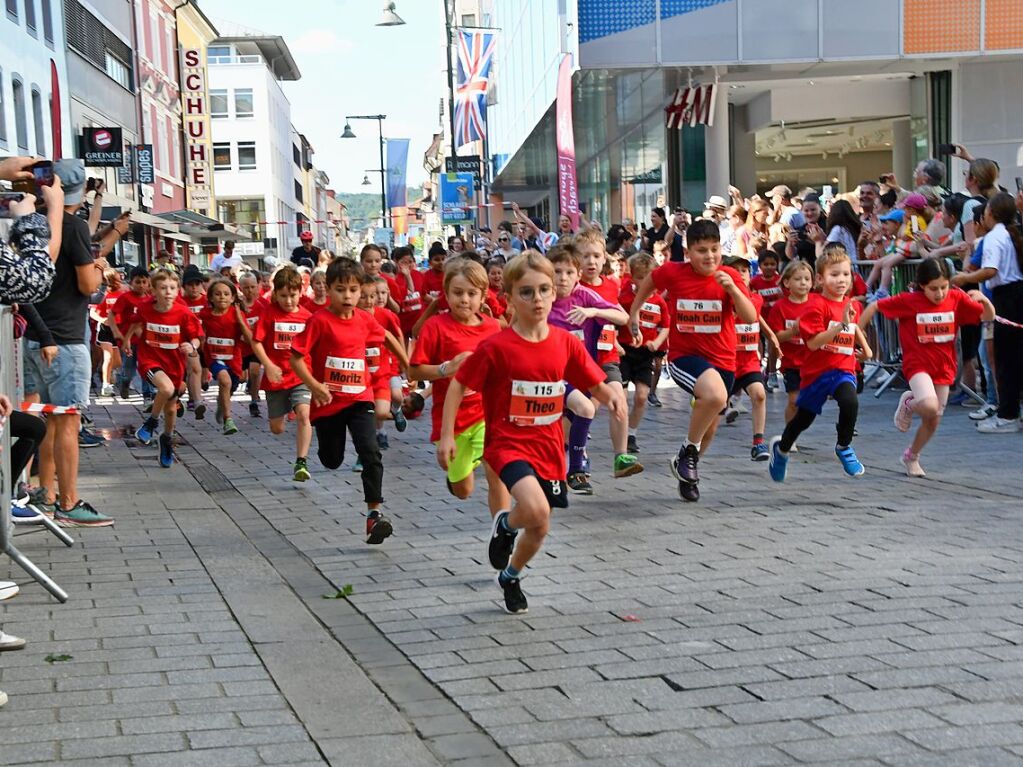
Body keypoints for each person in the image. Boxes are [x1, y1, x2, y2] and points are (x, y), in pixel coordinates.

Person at [443, 251, 626, 614]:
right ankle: (506, 525)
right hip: (507, 444)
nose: (538, 299)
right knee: (534, 507)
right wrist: (447, 434)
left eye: (544, 290)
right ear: (509, 298)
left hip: (549, 447)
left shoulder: (565, 343)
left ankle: (511, 576)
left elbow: (596, 382)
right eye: (526, 292)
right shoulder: (496, 347)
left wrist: (613, 399)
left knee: (540, 527)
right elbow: (458, 386)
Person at [628, 219, 757, 502]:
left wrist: (734, 291)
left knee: (709, 425)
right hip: (685, 358)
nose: (709, 256)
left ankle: (688, 466)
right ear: (688, 253)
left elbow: (750, 318)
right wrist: (634, 311)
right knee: (715, 396)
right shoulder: (674, 272)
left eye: (714, 249)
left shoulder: (730, 277)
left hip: (723, 361)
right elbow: (651, 281)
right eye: (701, 250)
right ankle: (687, 452)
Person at [22, 158, 113, 527]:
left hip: (33, 336)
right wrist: (101, 268)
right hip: (66, 337)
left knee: (43, 422)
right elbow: (86, 286)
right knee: (68, 424)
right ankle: (69, 501)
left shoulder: (31, 223)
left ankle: (46, 495)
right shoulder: (73, 226)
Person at [289, 257, 406, 543]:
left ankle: (374, 515)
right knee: (331, 459)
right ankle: (327, 449)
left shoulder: (365, 319)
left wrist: (407, 363)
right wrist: (315, 386)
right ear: (329, 289)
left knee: (370, 451)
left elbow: (387, 336)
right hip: (328, 403)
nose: (348, 296)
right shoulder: (319, 321)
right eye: (341, 289)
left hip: (359, 399)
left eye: (353, 290)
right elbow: (296, 358)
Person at [860, 259, 992, 475]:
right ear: (922, 285)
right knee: (929, 406)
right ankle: (910, 403)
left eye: (943, 287)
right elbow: (875, 305)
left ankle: (911, 456)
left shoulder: (956, 298)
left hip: (944, 366)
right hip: (917, 364)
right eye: (933, 289)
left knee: (934, 419)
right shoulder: (910, 301)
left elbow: (988, 317)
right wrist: (858, 330)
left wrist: (984, 300)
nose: (939, 293)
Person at [769, 246, 873, 482]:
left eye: (846, 274)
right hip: (817, 374)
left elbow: (854, 328)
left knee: (850, 401)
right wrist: (839, 326)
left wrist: (866, 350)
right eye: (834, 275)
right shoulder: (814, 306)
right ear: (820, 279)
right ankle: (782, 449)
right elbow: (814, 343)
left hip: (843, 369)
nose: (841, 280)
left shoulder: (852, 305)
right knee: (803, 420)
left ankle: (844, 446)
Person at [409, 258, 505, 512]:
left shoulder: (493, 327)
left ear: (483, 295)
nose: (465, 300)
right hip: (453, 421)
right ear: (446, 294)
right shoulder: (436, 327)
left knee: (497, 472)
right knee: (464, 491)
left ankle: (502, 531)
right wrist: (445, 369)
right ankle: (465, 467)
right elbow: (413, 370)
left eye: (472, 294)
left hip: (487, 415)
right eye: (458, 293)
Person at [545, 242, 630, 494]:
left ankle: (557, 469)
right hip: (552, 376)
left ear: (578, 274)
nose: (563, 278)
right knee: (584, 410)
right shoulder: (543, 298)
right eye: (557, 272)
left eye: (569, 272)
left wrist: (593, 312)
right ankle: (577, 469)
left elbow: (623, 317)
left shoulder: (585, 296)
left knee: (569, 427)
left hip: (585, 375)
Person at [952, 192, 1023, 433]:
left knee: (1006, 359)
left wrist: (964, 278)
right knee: (1008, 357)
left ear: (990, 213)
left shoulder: (995, 237)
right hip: (1012, 295)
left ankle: (1008, 415)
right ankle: (1009, 411)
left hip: (1007, 297)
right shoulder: (1007, 234)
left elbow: (990, 270)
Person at [575, 229, 642, 480]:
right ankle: (577, 454)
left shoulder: (612, 285)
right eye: (584, 256)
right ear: (575, 260)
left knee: (619, 401)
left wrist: (625, 333)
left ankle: (621, 458)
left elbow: (618, 316)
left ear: (604, 259)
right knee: (580, 410)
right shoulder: (571, 287)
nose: (591, 262)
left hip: (607, 356)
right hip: (579, 359)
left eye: (596, 256)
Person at [125, 269, 204, 468]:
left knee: (171, 410)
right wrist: (126, 341)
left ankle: (166, 439)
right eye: (163, 288)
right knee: (166, 389)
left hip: (174, 364)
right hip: (150, 360)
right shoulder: (145, 308)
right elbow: (135, 324)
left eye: (172, 288)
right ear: (153, 290)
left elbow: (197, 337)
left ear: (178, 290)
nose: (168, 291)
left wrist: (192, 346)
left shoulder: (183, 313)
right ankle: (150, 423)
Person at [249, 265, 314, 481]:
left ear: (300, 293)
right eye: (283, 296)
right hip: (275, 378)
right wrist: (268, 364)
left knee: (304, 415)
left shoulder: (307, 317)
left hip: (300, 376)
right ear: (275, 294)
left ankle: (301, 462)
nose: (288, 301)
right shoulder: (269, 315)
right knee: (277, 428)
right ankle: (285, 410)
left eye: (292, 295)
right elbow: (256, 342)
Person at [722, 256, 781, 461]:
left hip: (748, 362)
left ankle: (758, 443)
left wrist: (771, 336)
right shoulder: (723, 300)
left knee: (759, 394)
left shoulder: (756, 298)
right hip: (724, 362)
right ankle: (695, 443)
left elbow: (756, 316)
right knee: (715, 407)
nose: (741, 274)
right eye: (735, 271)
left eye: (744, 271)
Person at [617, 252, 668, 453]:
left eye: (650, 277)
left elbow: (666, 326)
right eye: (641, 277)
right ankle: (621, 433)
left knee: (641, 396)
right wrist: (616, 343)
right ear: (632, 277)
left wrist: (657, 342)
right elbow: (613, 321)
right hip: (625, 352)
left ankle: (632, 434)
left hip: (645, 353)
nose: (646, 282)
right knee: (620, 398)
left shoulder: (659, 302)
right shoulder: (625, 297)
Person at [199, 278, 253, 436]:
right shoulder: (206, 314)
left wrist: (240, 320)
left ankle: (222, 405)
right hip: (215, 358)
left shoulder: (238, 314)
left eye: (226, 294)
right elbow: (200, 331)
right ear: (210, 298)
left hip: (234, 359)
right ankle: (228, 420)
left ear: (233, 298)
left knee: (230, 387)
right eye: (217, 294)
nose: (222, 297)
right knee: (225, 381)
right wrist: (202, 346)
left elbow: (250, 339)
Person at [766, 260, 815, 428]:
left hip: (815, 363)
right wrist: (793, 331)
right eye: (798, 279)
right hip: (792, 364)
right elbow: (775, 338)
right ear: (787, 282)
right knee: (794, 401)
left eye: (807, 279)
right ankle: (789, 436)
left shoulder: (818, 303)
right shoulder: (780, 307)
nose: (803, 283)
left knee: (809, 403)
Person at [238, 271, 266, 417]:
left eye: (253, 287)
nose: (250, 291)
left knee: (255, 371)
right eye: (246, 287)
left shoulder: (263, 306)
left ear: (258, 287)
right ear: (240, 288)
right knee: (240, 378)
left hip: (255, 347)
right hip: (240, 348)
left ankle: (254, 401)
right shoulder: (236, 305)